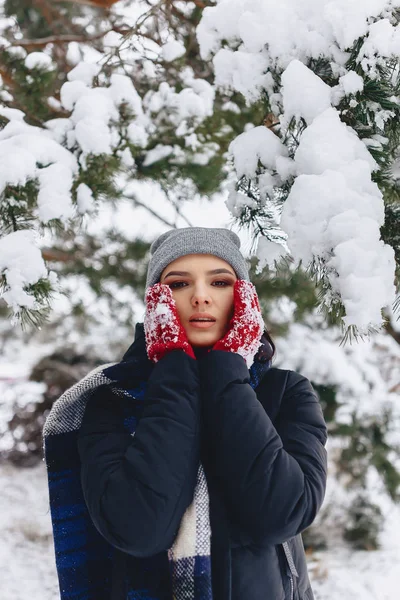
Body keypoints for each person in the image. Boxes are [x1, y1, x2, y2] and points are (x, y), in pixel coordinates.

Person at [43, 227, 328, 600]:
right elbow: (139, 528)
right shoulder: (111, 400)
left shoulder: (286, 394)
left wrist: (227, 372)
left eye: (221, 282)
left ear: (245, 298)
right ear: (155, 302)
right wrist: (174, 369)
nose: (201, 297)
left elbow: (282, 514)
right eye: (178, 284)